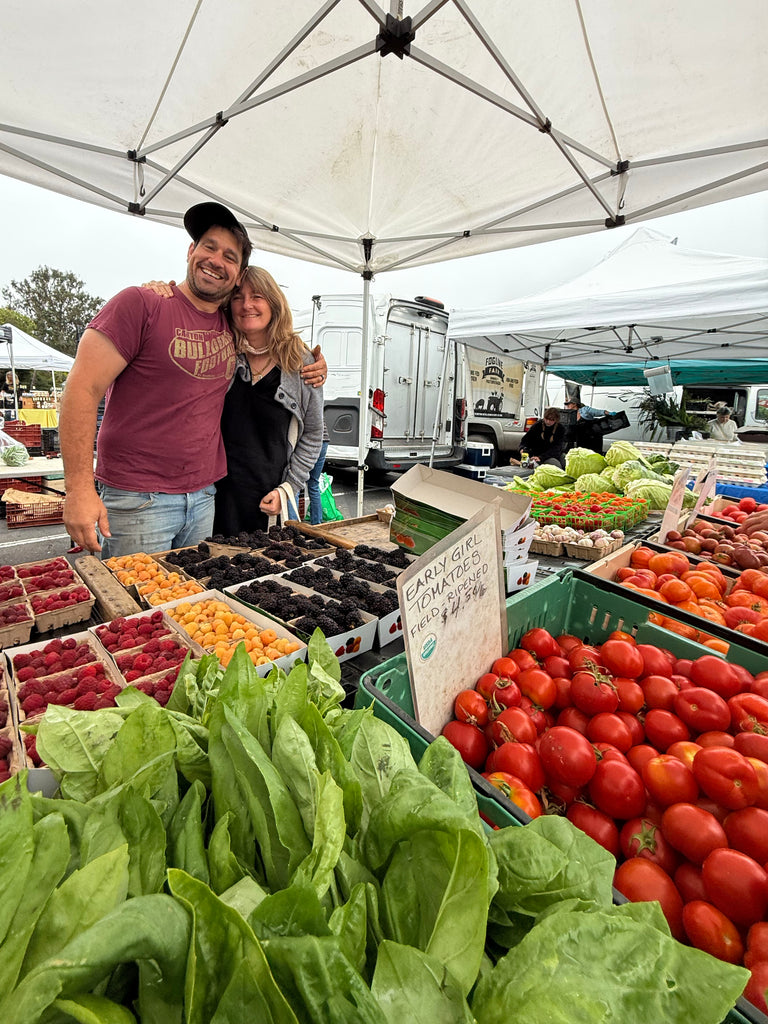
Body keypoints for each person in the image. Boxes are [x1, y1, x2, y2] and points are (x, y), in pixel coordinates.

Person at [60, 201, 327, 556]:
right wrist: (78, 489)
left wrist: (316, 365)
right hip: (140, 500)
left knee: (192, 607)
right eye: (209, 247)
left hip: (205, 499)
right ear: (191, 250)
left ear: (237, 274)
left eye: (230, 257)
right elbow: (81, 389)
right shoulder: (142, 303)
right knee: (136, 608)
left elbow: (307, 420)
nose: (217, 260)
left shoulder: (231, 331)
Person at [213, 266, 324, 535]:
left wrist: (288, 489)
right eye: (238, 297)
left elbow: (313, 433)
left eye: (257, 296)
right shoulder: (220, 353)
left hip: (268, 503)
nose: (247, 305)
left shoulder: (301, 363)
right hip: (213, 499)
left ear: (274, 303)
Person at [306, 420, 330, 526]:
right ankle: (317, 523)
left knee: (295, 487)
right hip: (323, 440)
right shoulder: (317, 404)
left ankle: (292, 524)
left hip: (308, 440)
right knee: (314, 483)